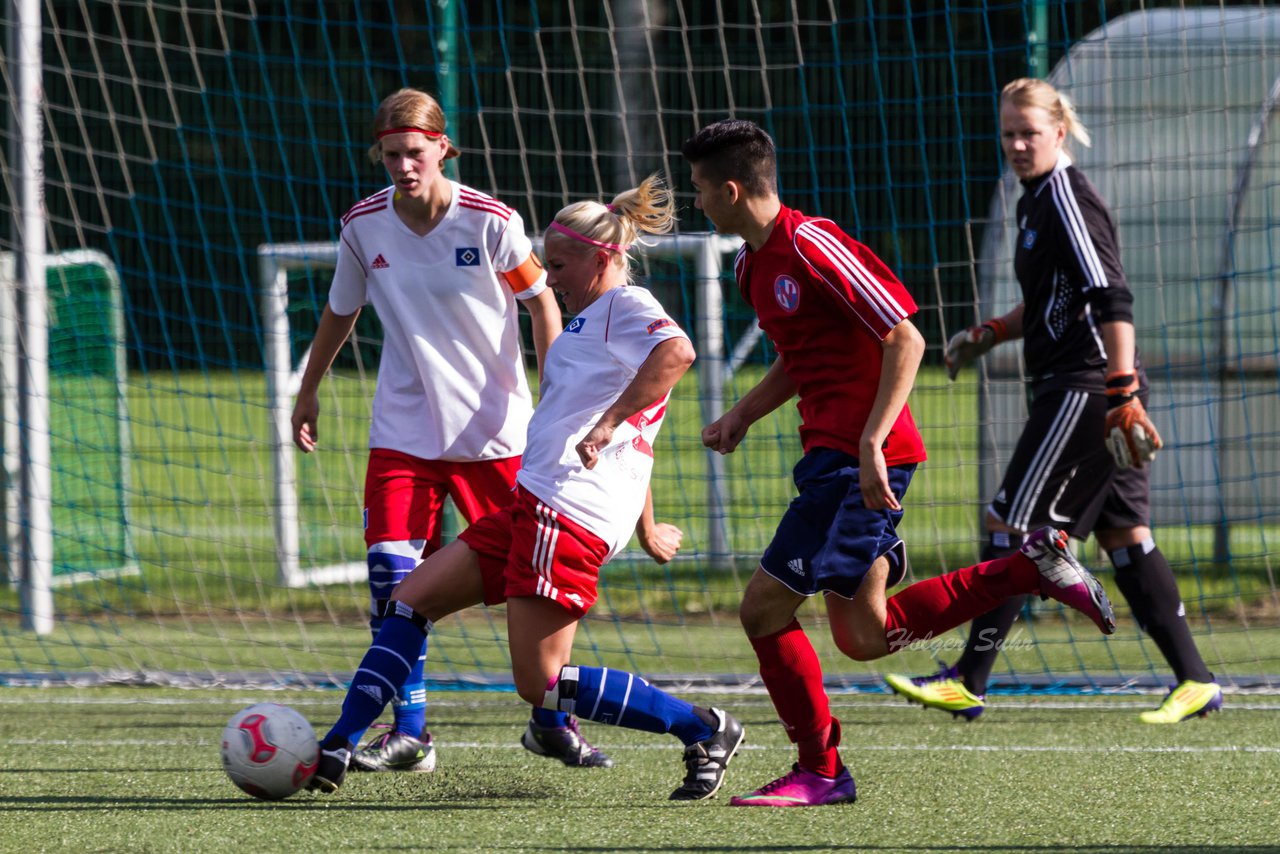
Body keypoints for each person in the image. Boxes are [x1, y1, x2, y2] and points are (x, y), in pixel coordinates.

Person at [681, 118, 1117, 809]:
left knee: (764, 611)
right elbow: (804, 359)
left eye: (701, 190)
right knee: (863, 635)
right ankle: (1026, 568)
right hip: (832, 461)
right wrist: (743, 414)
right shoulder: (750, 265)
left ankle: (821, 771)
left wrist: (870, 443)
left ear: (731, 190)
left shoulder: (810, 243)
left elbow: (905, 338)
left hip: (860, 462)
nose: (697, 203)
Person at [306, 175, 748, 802]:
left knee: (540, 682)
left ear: (602, 259)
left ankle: (701, 728)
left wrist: (607, 424)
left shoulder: (625, 305)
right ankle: (337, 745)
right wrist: (645, 520)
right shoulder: (591, 318)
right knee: (409, 600)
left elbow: (676, 354)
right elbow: (636, 442)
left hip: (565, 513)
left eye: (560, 265)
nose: (550, 278)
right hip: (533, 502)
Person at [291, 87, 612, 775]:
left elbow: (541, 302)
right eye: (391, 153)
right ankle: (410, 735)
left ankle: (551, 722)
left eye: (415, 151)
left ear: (442, 149)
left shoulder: (491, 222)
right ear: (378, 153)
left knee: (532, 587)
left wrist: (555, 392)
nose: (403, 165)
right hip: (403, 434)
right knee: (391, 580)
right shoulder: (362, 226)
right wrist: (308, 388)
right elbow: (339, 311)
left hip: (497, 437)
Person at [883, 78, 1222, 724]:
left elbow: (1112, 297)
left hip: (1088, 388)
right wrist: (990, 334)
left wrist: (1122, 392)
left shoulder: (1066, 196)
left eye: (1028, 133)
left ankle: (969, 678)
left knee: (1011, 527)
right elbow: (1048, 303)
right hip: (1089, 385)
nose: (1015, 144)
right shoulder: (1034, 199)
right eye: (1007, 133)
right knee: (1126, 537)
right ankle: (1197, 681)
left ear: (1059, 133)